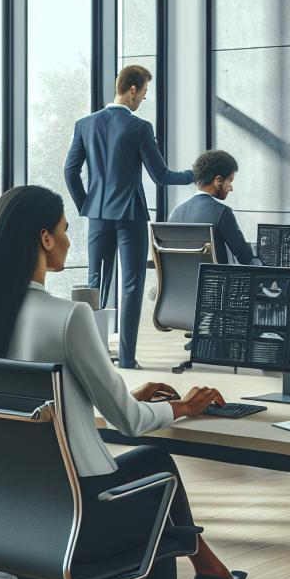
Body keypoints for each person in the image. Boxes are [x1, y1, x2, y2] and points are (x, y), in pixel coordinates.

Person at [0, 185, 247, 579]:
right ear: (44, 239)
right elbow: (130, 421)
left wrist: (123, 393)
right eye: (66, 230)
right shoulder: (68, 316)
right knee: (156, 476)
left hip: (5, 520)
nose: (71, 241)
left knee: (151, 469)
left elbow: (31, 413)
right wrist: (184, 405)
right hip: (77, 526)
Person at [64, 65, 193, 369]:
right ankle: (126, 359)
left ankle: (89, 356)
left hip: (98, 214)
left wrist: (87, 205)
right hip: (130, 213)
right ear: (132, 90)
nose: (142, 101)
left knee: (94, 284)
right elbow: (161, 176)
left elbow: (71, 172)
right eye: (144, 94)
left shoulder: (85, 124)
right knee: (131, 285)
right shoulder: (139, 127)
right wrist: (194, 175)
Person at [168, 150, 260, 265]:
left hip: (180, 282)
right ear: (218, 181)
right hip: (214, 282)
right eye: (230, 181)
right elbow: (245, 257)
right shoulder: (222, 212)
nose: (231, 188)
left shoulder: (174, 214)